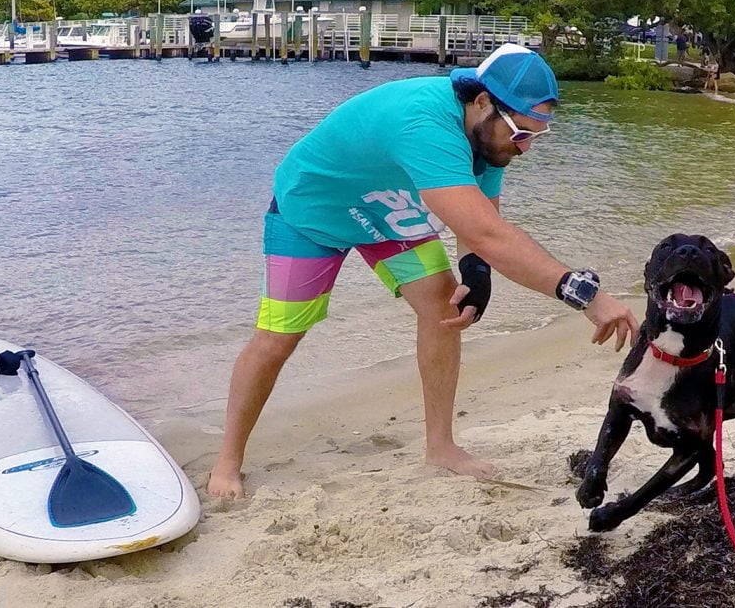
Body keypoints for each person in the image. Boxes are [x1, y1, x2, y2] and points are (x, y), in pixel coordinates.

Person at [207, 44, 640, 499]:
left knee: (443, 305)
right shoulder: (425, 124)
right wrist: (587, 296)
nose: (526, 148)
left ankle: (441, 446)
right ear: (482, 103)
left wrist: (477, 274)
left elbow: (481, 228)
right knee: (278, 338)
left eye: (536, 135)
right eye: (519, 134)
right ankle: (227, 462)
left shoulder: (487, 141)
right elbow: (490, 235)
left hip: (386, 210)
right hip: (311, 208)